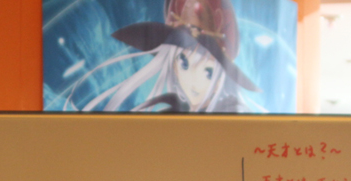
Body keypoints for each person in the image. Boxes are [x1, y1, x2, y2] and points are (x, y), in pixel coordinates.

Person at [66, 0, 259, 113]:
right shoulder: (168, 113)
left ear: (220, 78)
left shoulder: (233, 117)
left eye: (208, 71)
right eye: (184, 63)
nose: (192, 80)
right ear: (173, 64)